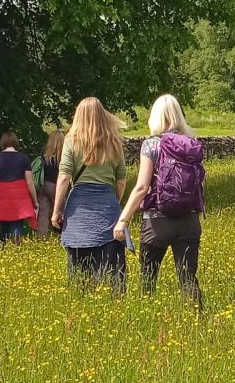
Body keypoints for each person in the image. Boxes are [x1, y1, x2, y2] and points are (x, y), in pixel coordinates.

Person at [114, 94, 204, 307]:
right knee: (188, 278)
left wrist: (123, 219)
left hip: (157, 222)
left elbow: (142, 187)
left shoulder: (151, 145)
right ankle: (200, 322)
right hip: (190, 221)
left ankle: (148, 324)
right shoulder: (192, 144)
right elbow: (201, 184)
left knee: (148, 279)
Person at [51, 98, 127, 289]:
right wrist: (114, 202)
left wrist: (57, 211)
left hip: (78, 211)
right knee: (111, 270)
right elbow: (121, 181)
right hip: (108, 208)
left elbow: (64, 178)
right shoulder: (114, 141)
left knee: (78, 270)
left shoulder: (71, 141)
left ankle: (80, 300)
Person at [0, 131, 38, 244]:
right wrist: (35, 201)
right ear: (15, 142)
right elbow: (29, 182)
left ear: (2, 142)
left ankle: (3, 247)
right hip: (19, 197)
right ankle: (16, 247)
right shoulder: (24, 158)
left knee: (3, 223)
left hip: (1, 196)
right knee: (17, 223)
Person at [37, 129, 65, 238]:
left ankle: (41, 237)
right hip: (55, 186)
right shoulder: (62, 158)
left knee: (43, 213)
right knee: (62, 209)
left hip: (43, 185)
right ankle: (61, 233)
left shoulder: (44, 156)